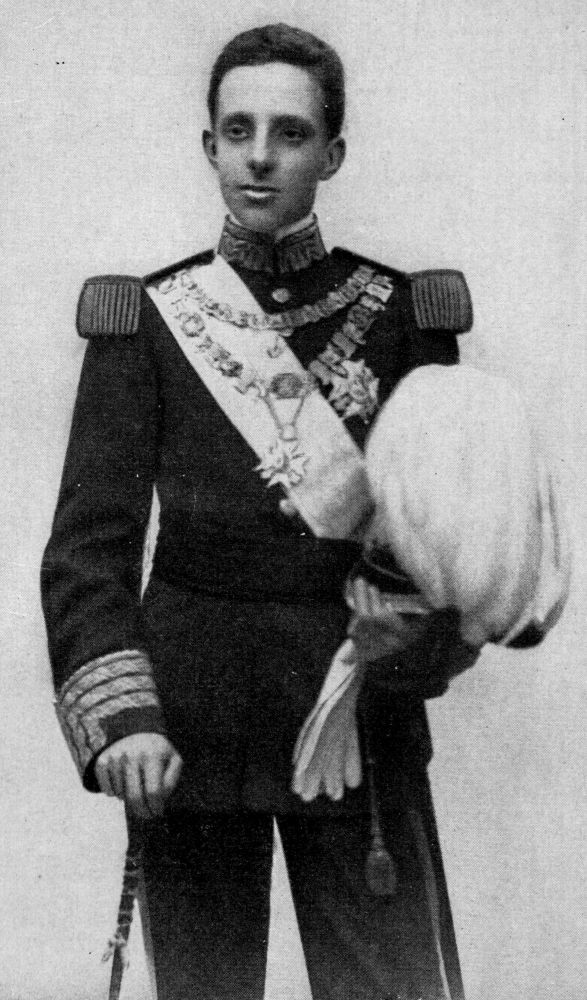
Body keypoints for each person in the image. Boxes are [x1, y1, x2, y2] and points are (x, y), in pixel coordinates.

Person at [41, 23, 483, 1000]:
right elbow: (88, 552)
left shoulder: (404, 319)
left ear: (332, 152)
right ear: (209, 145)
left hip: (354, 708)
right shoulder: (147, 321)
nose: (258, 156)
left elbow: (451, 544)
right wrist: (123, 721)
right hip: (189, 723)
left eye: (289, 133)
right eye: (237, 130)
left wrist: (408, 647)